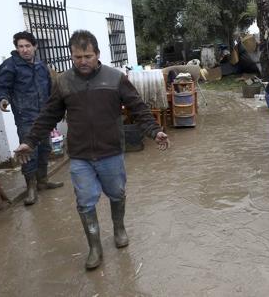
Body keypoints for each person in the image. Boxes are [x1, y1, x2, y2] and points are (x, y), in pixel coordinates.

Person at [14, 30, 170, 270]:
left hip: (111, 152)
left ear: (97, 54)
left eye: (88, 55)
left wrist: (154, 130)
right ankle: (95, 247)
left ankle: (119, 229)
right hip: (80, 156)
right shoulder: (64, 82)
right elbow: (48, 115)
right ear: (71, 56)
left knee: (117, 194)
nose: (83, 61)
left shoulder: (115, 78)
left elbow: (137, 107)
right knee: (85, 202)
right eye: (77, 57)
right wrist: (30, 141)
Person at [0, 31, 63, 206]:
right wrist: (3, 99)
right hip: (25, 116)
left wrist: (54, 109)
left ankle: (43, 181)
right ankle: (30, 187)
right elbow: (2, 85)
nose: (24, 50)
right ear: (17, 48)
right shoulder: (10, 66)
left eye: (27, 46)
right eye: (20, 47)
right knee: (29, 152)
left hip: (44, 116)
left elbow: (50, 88)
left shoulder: (41, 66)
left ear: (35, 46)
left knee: (45, 148)